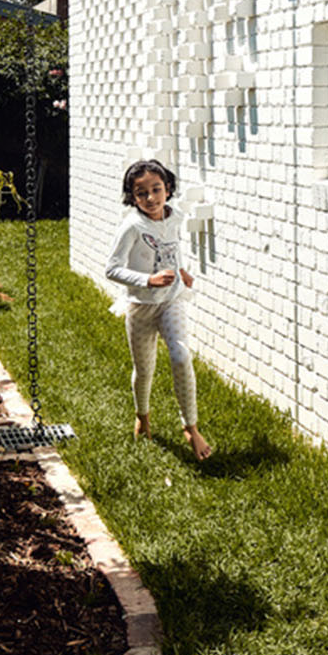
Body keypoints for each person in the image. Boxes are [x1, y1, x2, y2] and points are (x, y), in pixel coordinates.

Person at [105, 158, 213, 461]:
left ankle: (191, 427)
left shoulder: (174, 216)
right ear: (132, 197)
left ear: (168, 189)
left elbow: (171, 247)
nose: (150, 198)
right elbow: (111, 269)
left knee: (181, 357)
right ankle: (143, 414)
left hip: (171, 300)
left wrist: (182, 270)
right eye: (141, 193)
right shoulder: (131, 226)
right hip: (140, 307)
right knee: (144, 369)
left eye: (156, 189)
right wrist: (147, 280)